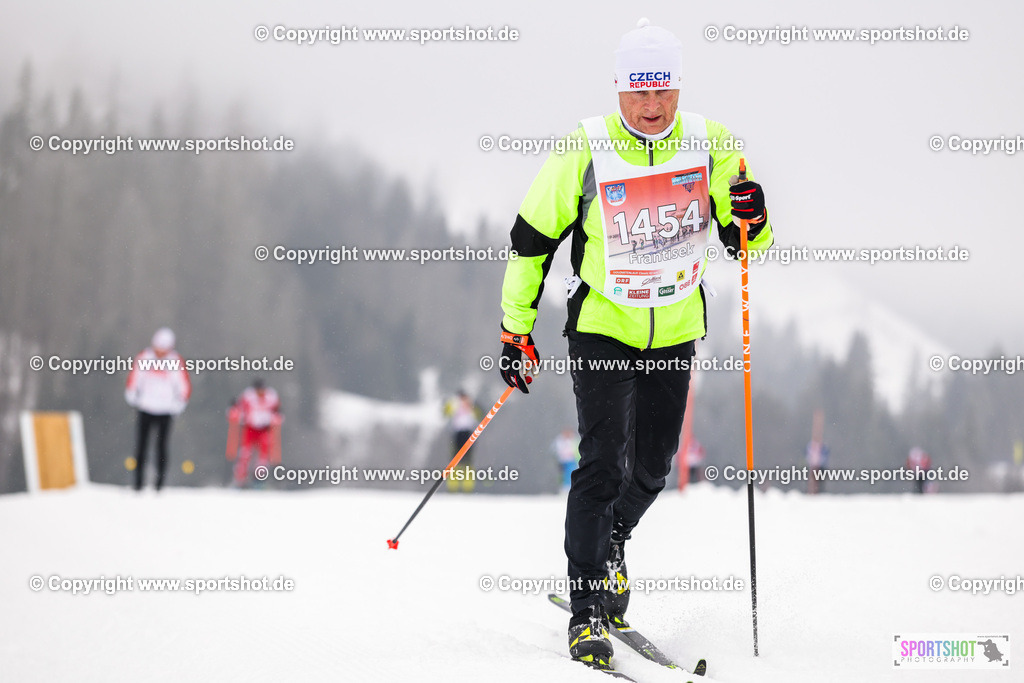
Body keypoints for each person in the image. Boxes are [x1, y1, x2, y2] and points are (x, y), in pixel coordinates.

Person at [496, 19, 775, 666]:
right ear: (619, 89)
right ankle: (588, 608)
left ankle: (613, 539)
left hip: (674, 329)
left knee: (652, 466)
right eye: (639, 93)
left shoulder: (711, 144)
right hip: (602, 326)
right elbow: (531, 239)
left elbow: (747, 239)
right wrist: (515, 328)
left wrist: (751, 215)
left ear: (677, 88)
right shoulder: (584, 148)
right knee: (601, 462)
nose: (652, 108)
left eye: (663, 93)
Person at [125, 327, 191, 491]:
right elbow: (135, 377)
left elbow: (183, 385)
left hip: (165, 410)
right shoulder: (144, 357)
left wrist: (179, 403)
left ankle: (159, 484)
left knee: (162, 447)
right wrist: (132, 394)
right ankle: (138, 483)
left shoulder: (176, 361)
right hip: (145, 407)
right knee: (141, 446)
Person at [231, 378, 282, 486]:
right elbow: (239, 410)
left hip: (265, 429)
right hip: (250, 429)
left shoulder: (271, 398)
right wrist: (235, 408)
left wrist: (277, 415)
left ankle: (259, 480)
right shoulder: (248, 397)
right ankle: (241, 479)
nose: (260, 392)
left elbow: (277, 412)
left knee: (263, 457)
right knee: (245, 453)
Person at [442, 390, 482, 493]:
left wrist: (470, 407)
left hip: (469, 434)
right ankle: (453, 488)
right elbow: (445, 413)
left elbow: (479, 415)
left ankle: (467, 488)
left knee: (468, 463)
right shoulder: (455, 405)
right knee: (454, 462)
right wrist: (452, 405)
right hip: (457, 434)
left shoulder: (472, 406)